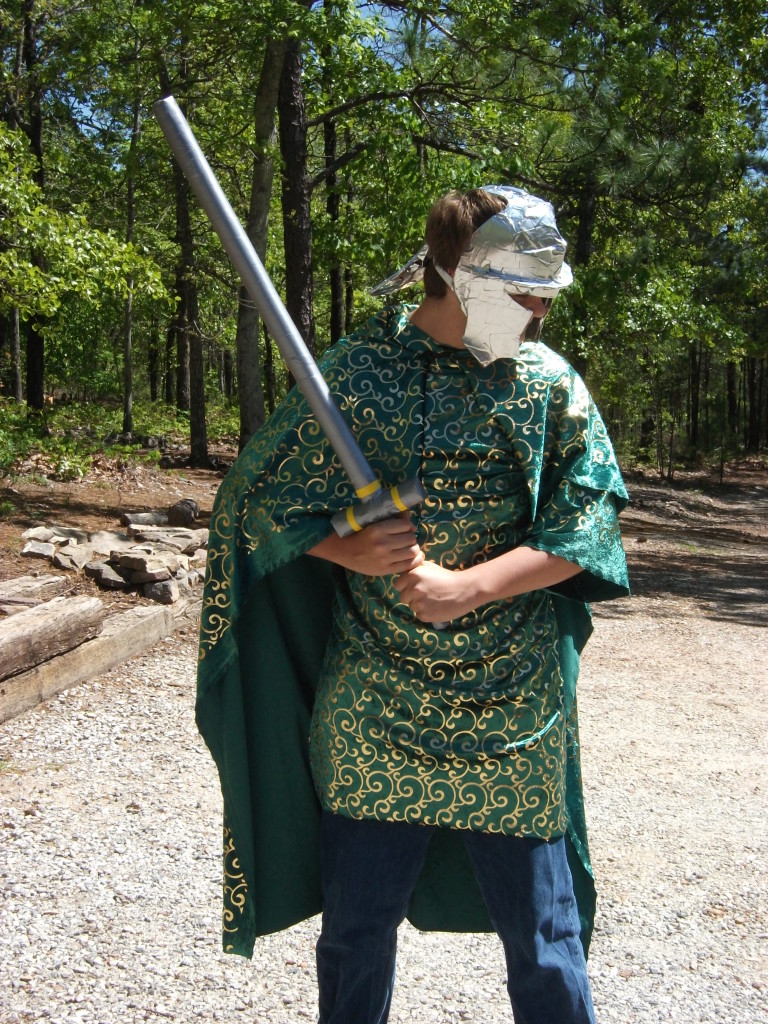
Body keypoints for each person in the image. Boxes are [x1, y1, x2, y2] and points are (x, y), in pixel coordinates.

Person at [196, 185, 630, 1024]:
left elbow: (586, 528)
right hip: (375, 707)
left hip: (512, 712)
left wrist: (468, 587)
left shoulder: (546, 383)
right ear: (464, 281)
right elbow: (257, 504)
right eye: (526, 294)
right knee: (355, 936)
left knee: (545, 941)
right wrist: (347, 547)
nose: (542, 312)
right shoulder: (359, 372)